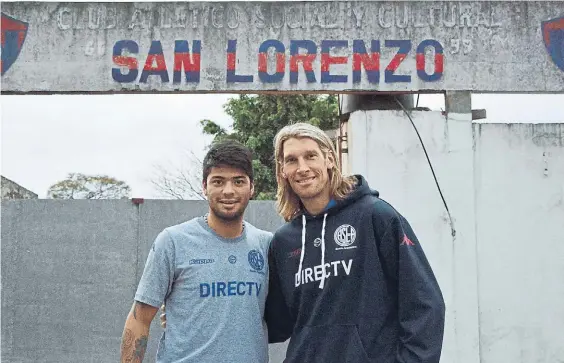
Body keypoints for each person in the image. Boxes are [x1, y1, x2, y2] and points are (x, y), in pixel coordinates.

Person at [264, 122, 446, 363]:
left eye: (310, 156)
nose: (302, 168)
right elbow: (277, 323)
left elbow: (425, 305)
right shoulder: (284, 241)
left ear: (329, 159)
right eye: (291, 160)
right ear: (283, 171)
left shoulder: (376, 217)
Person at [120, 139, 272, 363]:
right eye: (218, 181)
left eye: (238, 181)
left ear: (251, 187)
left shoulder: (266, 245)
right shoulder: (172, 242)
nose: (228, 191)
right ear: (204, 187)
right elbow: (140, 319)